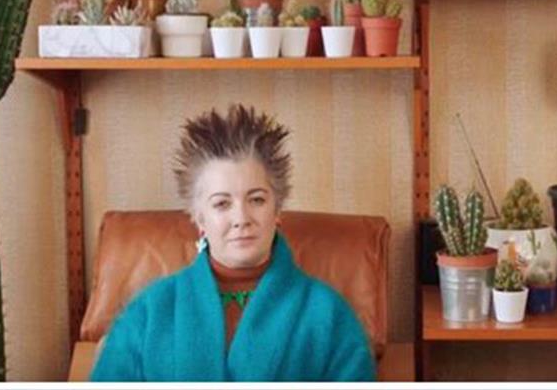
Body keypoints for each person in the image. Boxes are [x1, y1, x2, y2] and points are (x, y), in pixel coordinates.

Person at [90, 104, 376, 382]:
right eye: (222, 203)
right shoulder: (148, 311)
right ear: (199, 219)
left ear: (277, 210)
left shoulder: (329, 313)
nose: (241, 218)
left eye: (256, 200)